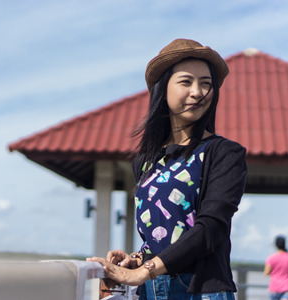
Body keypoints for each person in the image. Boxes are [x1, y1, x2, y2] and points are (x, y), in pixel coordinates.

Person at [87, 38, 247, 299]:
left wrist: (144, 271)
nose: (198, 92)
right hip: (151, 289)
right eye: (186, 82)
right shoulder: (146, 160)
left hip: (201, 291)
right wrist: (138, 258)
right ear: (163, 89)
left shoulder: (224, 153)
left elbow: (210, 229)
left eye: (206, 84)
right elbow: (165, 233)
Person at [264, 235, 288, 300]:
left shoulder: (271, 258)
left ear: (276, 245)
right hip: (286, 288)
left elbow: (266, 272)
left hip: (274, 288)